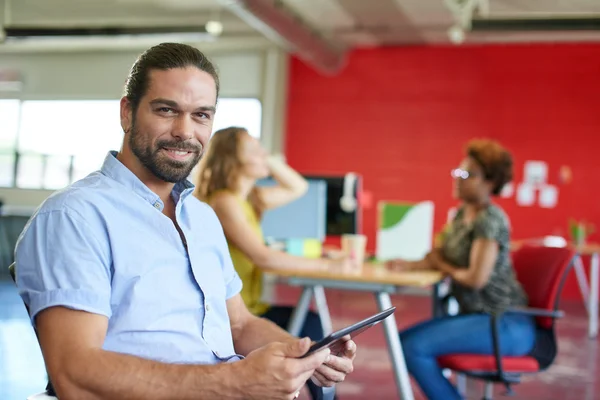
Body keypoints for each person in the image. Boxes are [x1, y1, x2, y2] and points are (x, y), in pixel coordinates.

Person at [14, 43, 356, 400]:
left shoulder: (202, 217)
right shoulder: (74, 216)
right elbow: (76, 374)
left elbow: (239, 324)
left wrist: (304, 353)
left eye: (201, 115)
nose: (184, 131)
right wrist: (235, 381)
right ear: (127, 113)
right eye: (166, 110)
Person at [194, 127, 351, 399]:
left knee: (310, 325)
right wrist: (329, 267)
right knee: (309, 327)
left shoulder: (252, 199)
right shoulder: (224, 201)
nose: (263, 154)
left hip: (254, 307)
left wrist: (271, 161)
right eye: (254, 150)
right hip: (237, 314)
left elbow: (298, 186)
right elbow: (263, 257)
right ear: (232, 158)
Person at [387, 139, 535, 400]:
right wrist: (407, 264)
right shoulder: (460, 215)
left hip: (504, 323)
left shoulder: (490, 219)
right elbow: (438, 256)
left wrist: (441, 264)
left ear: (489, 182)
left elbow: (475, 279)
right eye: (458, 172)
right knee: (398, 342)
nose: (458, 178)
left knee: (411, 347)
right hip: (478, 319)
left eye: (468, 174)